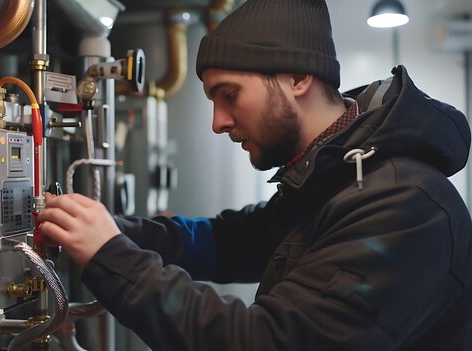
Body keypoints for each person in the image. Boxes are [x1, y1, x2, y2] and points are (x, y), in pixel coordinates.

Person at [38, 0, 472, 349]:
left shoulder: (404, 203)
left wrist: (111, 256)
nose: (218, 122)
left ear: (299, 77)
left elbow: (265, 340)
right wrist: (108, 230)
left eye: (230, 95)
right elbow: (227, 241)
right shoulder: (333, 175)